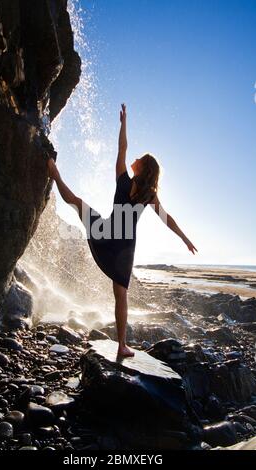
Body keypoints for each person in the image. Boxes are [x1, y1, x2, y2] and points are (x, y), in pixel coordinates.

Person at [47, 104, 198, 358]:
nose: (134, 158)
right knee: (121, 296)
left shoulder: (123, 179)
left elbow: (122, 148)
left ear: (142, 167)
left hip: (107, 232)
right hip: (125, 247)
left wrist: (124, 123)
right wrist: (184, 238)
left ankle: (54, 174)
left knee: (75, 201)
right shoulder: (149, 195)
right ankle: (122, 345)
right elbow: (167, 219)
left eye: (139, 159)